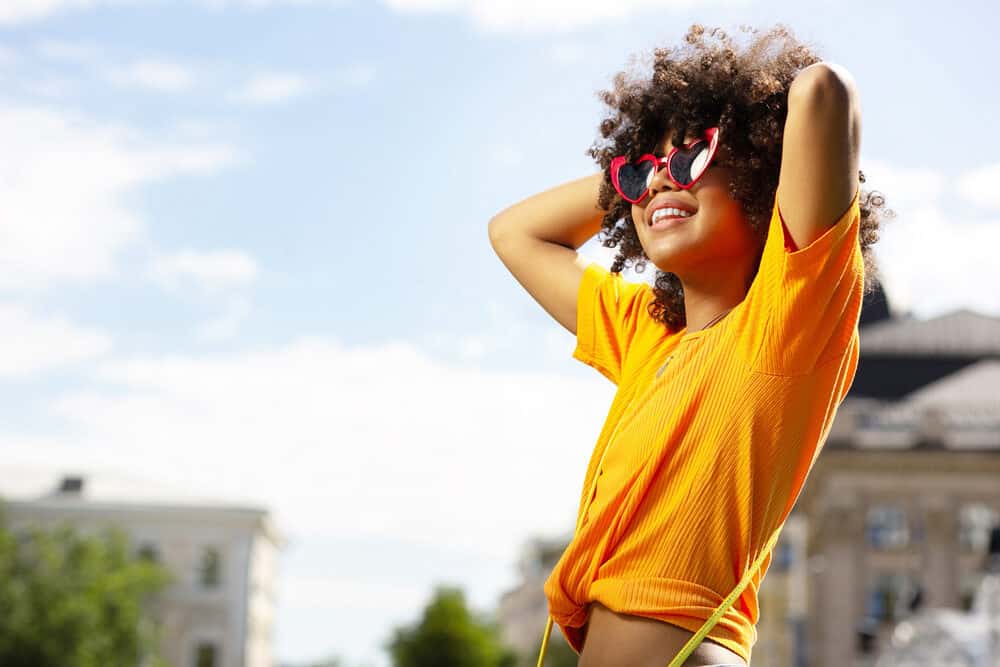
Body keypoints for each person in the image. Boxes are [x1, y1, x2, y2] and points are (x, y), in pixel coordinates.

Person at [488, 24, 891, 667]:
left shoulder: (789, 322)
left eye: (690, 161)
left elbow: (823, 90)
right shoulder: (646, 335)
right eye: (640, 173)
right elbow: (514, 233)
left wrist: (737, 126)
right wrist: (646, 171)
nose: (653, 187)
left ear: (763, 176)